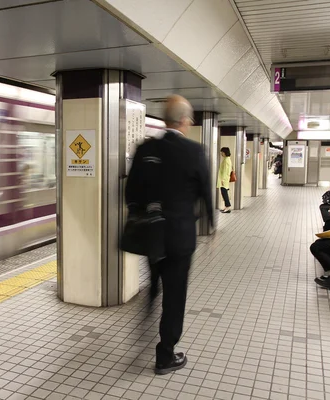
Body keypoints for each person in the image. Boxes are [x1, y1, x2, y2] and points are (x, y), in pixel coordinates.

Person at [125, 95, 213, 375]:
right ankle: (165, 355)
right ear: (185, 120)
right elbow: (205, 192)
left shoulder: (144, 149)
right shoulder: (194, 151)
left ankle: (151, 299)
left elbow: (131, 194)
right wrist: (209, 223)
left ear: (165, 120)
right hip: (179, 238)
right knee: (175, 297)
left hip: (151, 234)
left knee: (156, 277)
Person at [217, 147, 232, 213]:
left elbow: (226, 171)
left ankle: (228, 206)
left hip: (224, 179)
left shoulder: (226, 160)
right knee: (224, 193)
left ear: (225, 152)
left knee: (224, 193)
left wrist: (223, 179)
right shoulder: (227, 159)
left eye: (222, 152)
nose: (221, 153)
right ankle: (226, 206)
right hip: (224, 179)